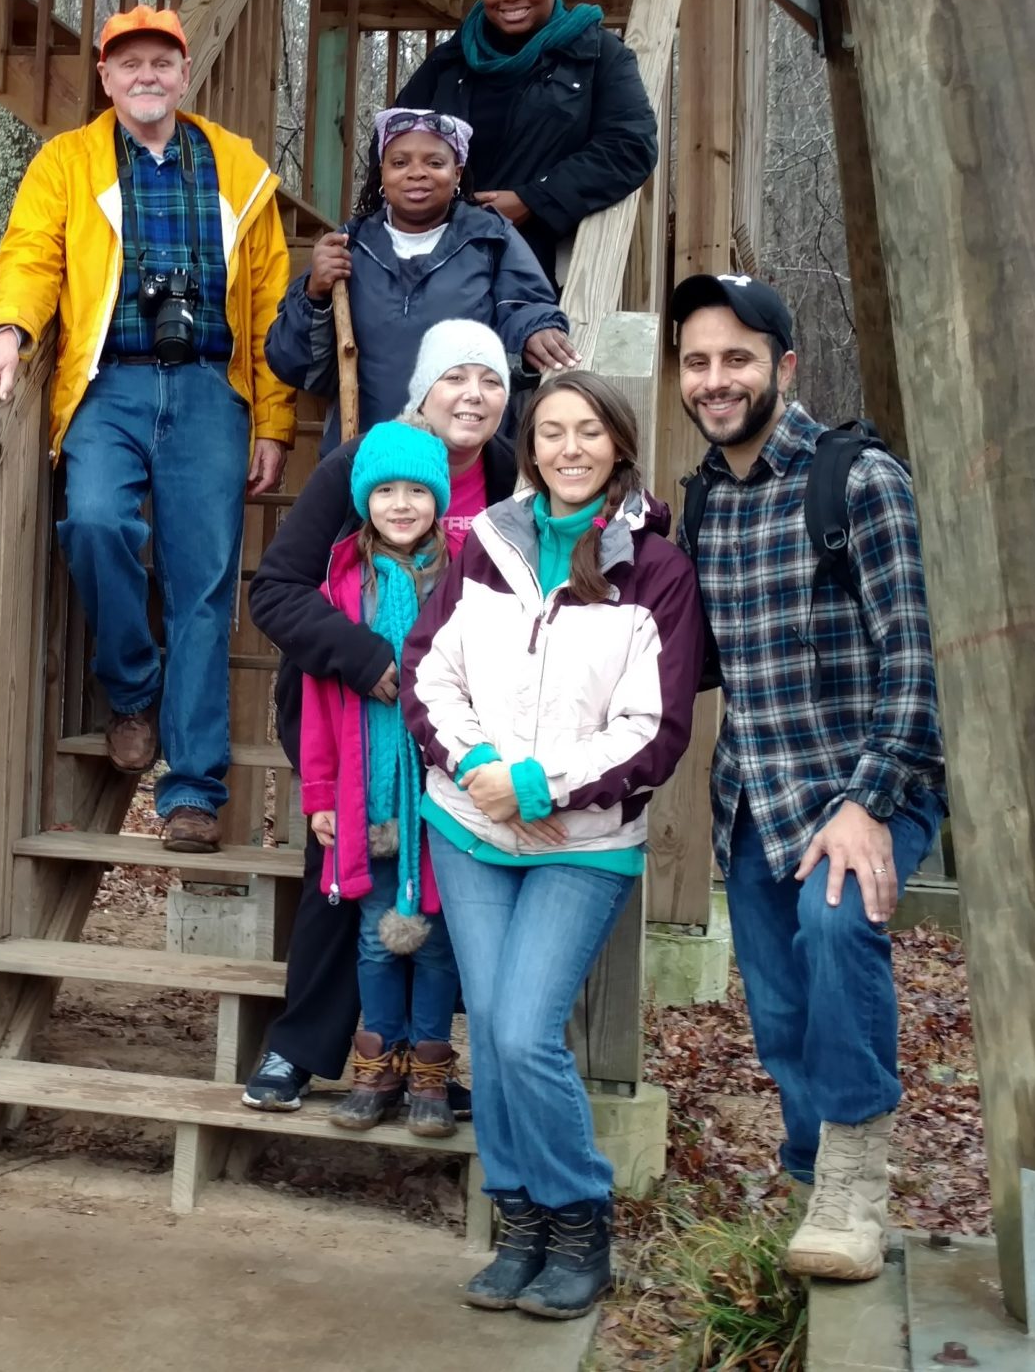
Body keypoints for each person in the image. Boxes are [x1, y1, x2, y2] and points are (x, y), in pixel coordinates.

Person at [0, 5, 294, 854]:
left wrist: (275, 418)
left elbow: (269, 303)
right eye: (129, 62)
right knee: (98, 523)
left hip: (212, 389)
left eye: (161, 62)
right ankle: (133, 688)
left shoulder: (237, 165)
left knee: (203, 587)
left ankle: (193, 791)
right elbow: (31, 256)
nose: (147, 75)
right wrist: (7, 333)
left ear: (184, 74)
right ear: (105, 77)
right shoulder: (68, 162)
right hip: (110, 385)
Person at [404, 371, 704, 1320]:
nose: (569, 448)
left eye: (589, 431)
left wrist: (542, 785)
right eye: (551, 432)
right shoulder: (487, 545)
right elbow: (428, 669)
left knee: (525, 1028)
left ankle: (579, 1217)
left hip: (583, 840)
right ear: (529, 447)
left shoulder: (657, 570)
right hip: (470, 824)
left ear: (619, 444)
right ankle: (520, 1218)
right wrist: (482, 768)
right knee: (492, 1027)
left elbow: (655, 729)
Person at [670, 273, 944, 1283]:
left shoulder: (857, 480)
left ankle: (855, 1185)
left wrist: (867, 804)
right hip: (756, 795)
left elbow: (915, 657)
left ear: (784, 366)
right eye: (697, 361)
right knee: (780, 1013)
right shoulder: (702, 501)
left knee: (836, 928)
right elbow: (696, 661)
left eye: (737, 359)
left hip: (867, 780)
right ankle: (804, 1183)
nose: (715, 379)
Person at [239, 420, 460, 1140]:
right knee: (373, 934)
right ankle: (375, 1064)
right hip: (366, 792)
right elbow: (319, 711)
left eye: (417, 491)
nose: (401, 504)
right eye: (385, 491)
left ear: (440, 498)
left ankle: (430, 1067)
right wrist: (320, 796)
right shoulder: (340, 582)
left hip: (441, 792)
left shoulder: (461, 575)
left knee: (435, 937)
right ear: (362, 498)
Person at [269, 108, 574, 444]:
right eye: (400, 163)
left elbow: (525, 303)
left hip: (467, 452)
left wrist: (535, 328)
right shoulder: (348, 245)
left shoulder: (491, 238)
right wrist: (314, 293)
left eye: (435, 163)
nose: (417, 173)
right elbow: (293, 363)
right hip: (369, 452)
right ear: (382, 173)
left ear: (457, 173)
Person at [394, 0, 658, 280]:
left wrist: (533, 199)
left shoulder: (599, 55)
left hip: (539, 263)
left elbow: (629, 147)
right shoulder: (451, 60)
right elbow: (394, 139)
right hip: (440, 257)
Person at [408, 321, 523, 554]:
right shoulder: (356, 465)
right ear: (422, 396)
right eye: (455, 378)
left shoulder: (524, 473)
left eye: (491, 381)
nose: (474, 394)